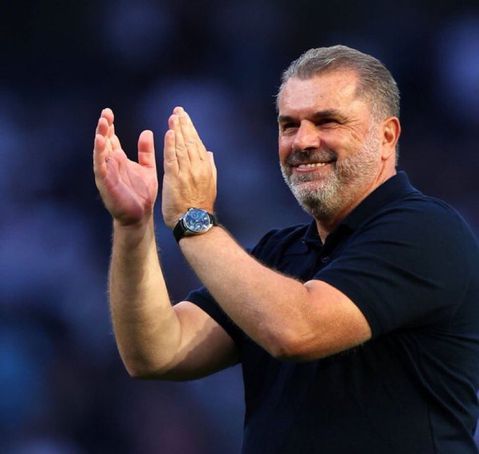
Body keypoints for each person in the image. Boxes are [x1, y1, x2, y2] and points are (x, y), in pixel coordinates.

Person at [93, 45, 479, 453]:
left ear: (387, 136)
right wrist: (133, 226)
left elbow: (297, 331)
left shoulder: (426, 232)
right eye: (289, 125)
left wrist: (194, 220)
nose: (303, 141)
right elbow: (156, 351)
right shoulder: (279, 254)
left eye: (327, 121)